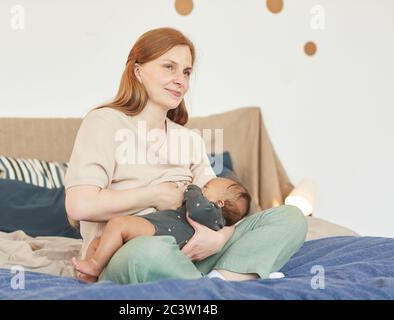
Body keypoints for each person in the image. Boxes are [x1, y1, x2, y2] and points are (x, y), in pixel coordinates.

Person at [64, 27, 308, 284]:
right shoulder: (105, 122)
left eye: (187, 72)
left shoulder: (189, 140)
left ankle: (218, 279)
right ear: (138, 72)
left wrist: (219, 238)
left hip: (196, 250)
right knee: (147, 252)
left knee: (290, 218)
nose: (181, 80)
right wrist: (156, 195)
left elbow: (220, 207)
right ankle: (227, 280)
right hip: (131, 251)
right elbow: (80, 204)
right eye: (169, 67)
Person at [71, 177, 251, 282]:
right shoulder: (211, 215)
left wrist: (192, 188)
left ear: (219, 203)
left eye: (206, 188)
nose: (201, 188)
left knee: (118, 224)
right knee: (98, 242)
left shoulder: (213, 215)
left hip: (163, 231)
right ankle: (91, 277)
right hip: (162, 228)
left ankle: (95, 266)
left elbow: (196, 207)